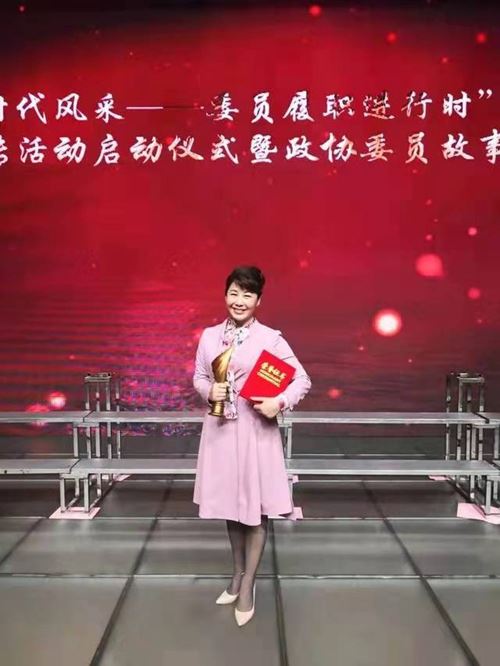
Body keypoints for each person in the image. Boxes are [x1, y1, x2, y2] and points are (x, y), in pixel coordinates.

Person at [192, 265, 312, 626]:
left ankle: (248, 586)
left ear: (258, 300)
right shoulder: (210, 337)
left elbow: (302, 380)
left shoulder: (271, 339)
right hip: (220, 433)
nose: (239, 300)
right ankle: (236, 574)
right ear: (225, 295)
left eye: (247, 294)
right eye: (234, 292)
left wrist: (279, 402)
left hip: (255, 434)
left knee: (256, 510)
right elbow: (199, 377)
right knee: (231, 507)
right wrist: (208, 390)